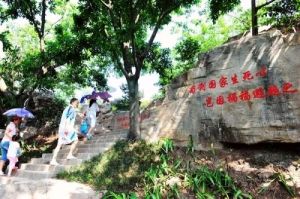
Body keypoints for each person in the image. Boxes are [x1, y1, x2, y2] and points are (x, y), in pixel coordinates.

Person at [50, 98, 81, 166]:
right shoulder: (72, 109)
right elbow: (68, 120)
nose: (77, 104)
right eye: (77, 102)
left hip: (62, 128)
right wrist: (68, 129)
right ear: (73, 102)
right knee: (75, 140)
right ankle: (69, 155)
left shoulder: (67, 108)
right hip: (67, 129)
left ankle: (53, 160)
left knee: (59, 145)